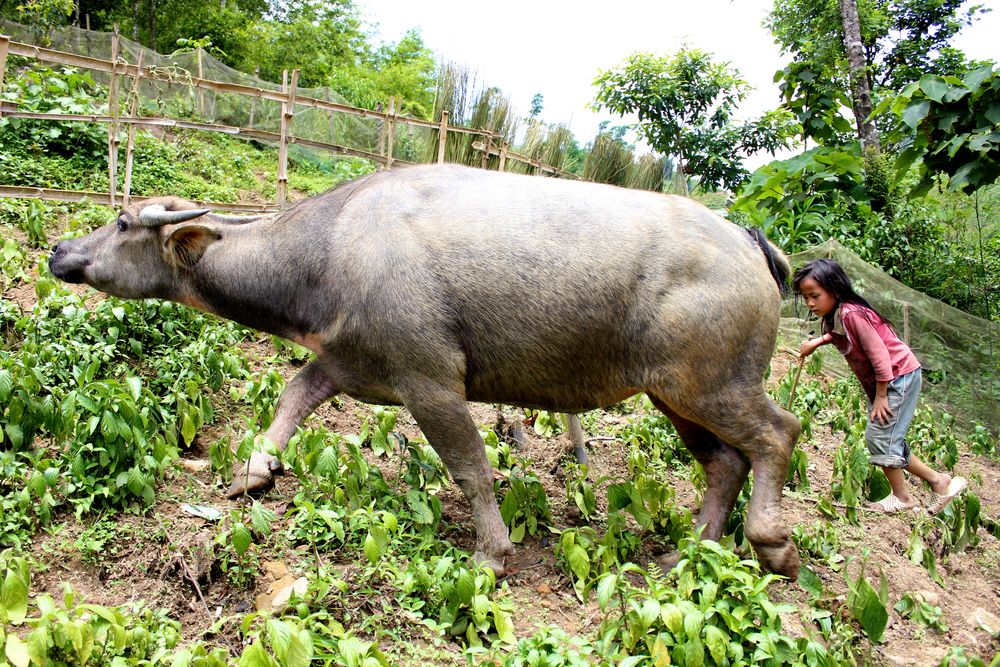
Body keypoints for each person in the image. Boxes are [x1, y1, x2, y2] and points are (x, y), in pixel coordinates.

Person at [793, 258, 966, 514]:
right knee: (887, 438)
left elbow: (880, 355)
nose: (809, 303)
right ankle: (938, 481)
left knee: (881, 437)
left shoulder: (852, 314)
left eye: (815, 295)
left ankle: (903, 497)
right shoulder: (838, 315)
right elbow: (840, 333)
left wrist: (882, 395)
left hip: (897, 377)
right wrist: (819, 341)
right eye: (805, 297)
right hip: (889, 380)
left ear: (835, 290)